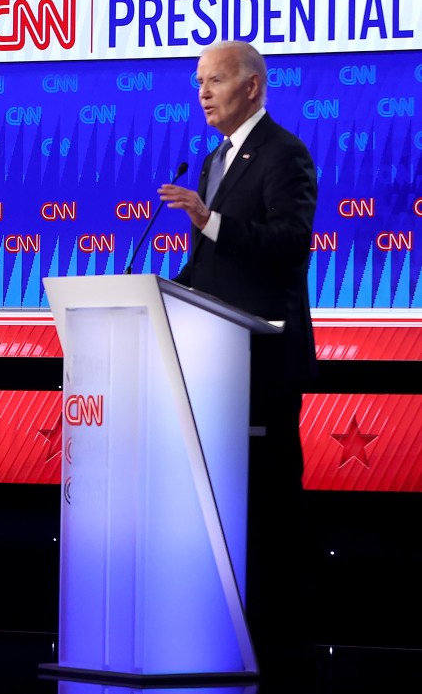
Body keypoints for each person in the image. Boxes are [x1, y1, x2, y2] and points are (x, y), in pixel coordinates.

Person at [156, 41, 317, 679]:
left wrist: (211, 219)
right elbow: (210, 265)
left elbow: (289, 246)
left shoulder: (285, 153)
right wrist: (164, 295)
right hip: (214, 365)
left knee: (271, 505)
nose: (202, 92)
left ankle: (283, 645)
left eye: (214, 80)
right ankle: (225, 628)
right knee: (225, 505)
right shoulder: (213, 160)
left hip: (264, 361)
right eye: (198, 81)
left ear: (252, 86)